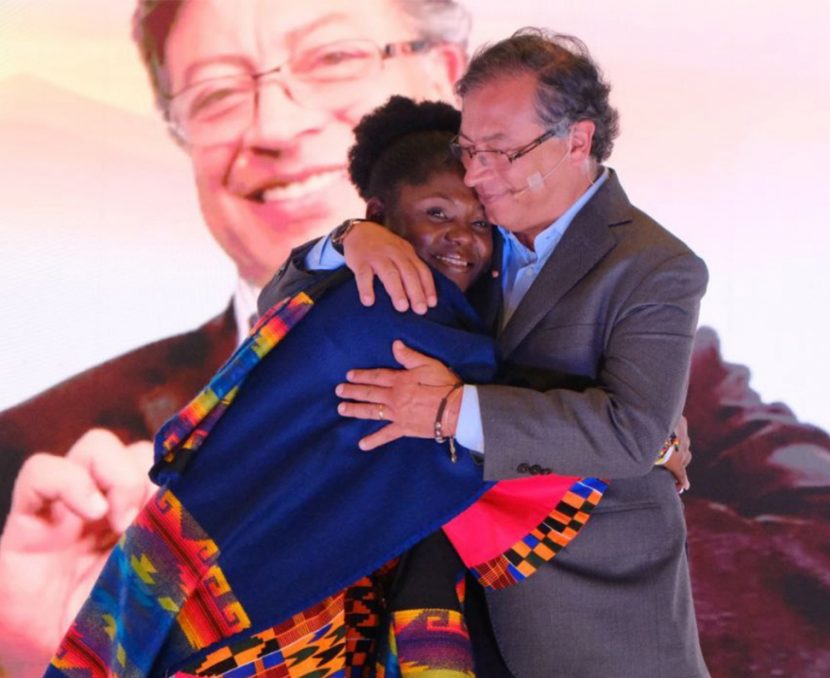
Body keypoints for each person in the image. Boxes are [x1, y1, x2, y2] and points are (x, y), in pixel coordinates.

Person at [2, 1, 830, 676]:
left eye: (333, 56)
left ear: (450, 78)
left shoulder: (621, 322)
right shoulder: (39, 452)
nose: (273, 125)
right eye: (218, 91)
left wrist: (503, 450)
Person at [49, 96, 580, 677]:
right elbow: (503, 430)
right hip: (264, 586)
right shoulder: (385, 311)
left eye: (481, 223)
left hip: (227, 559)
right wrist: (625, 431)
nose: (462, 238)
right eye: (437, 213)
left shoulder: (384, 299)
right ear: (380, 217)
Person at [268, 28, 711, 677]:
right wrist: (347, 241)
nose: (476, 176)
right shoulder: (469, 239)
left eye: (500, 152)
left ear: (577, 141)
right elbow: (285, 309)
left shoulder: (655, 266)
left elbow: (630, 431)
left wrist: (449, 411)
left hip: (582, 620)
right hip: (435, 601)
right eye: (469, 150)